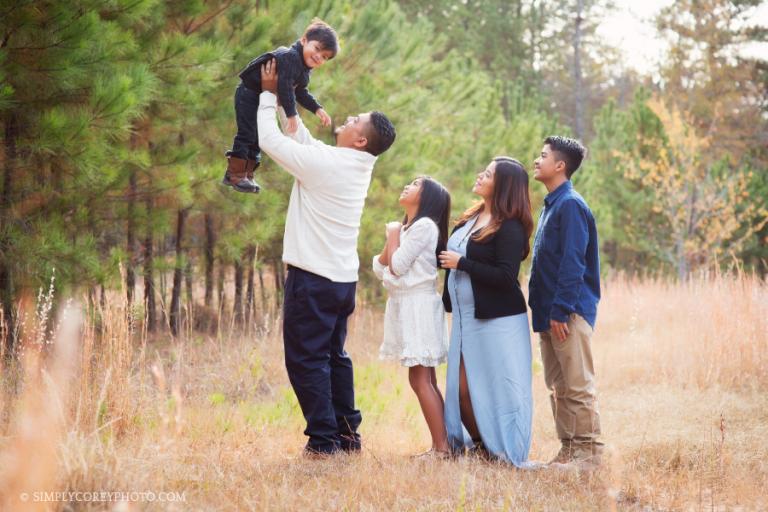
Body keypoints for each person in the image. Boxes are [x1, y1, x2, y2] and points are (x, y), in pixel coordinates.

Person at [257, 59, 396, 456]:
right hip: (340, 281)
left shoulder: (332, 165)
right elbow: (307, 146)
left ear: (361, 140)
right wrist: (289, 105)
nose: (349, 118)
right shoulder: (350, 164)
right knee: (334, 357)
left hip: (314, 280)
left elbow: (271, 142)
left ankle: (323, 442)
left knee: (306, 360)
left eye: (356, 119)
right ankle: (347, 435)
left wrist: (268, 95)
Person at [438, 157, 534, 466]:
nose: (481, 175)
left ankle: (501, 452)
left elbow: (506, 276)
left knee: (501, 389)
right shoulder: (473, 215)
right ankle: (481, 445)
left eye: (488, 174)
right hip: (466, 319)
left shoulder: (510, 227)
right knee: (461, 388)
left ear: (503, 185)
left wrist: (461, 264)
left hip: (498, 320)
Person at [528, 135, 603, 470]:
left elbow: (573, 262)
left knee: (576, 385)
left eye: (542, 156)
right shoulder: (552, 204)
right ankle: (571, 450)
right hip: (548, 314)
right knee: (558, 387)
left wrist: (561, 310)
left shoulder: (571, 204)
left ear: (560, 165)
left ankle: (590, 453)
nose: (536, 160)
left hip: (567, 313)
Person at [373, 176, 451, 459]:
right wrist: (394, 238)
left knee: (421, 380)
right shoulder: (409, 228)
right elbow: (379, 266)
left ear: (427, 197)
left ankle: (442, 448)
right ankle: (443, 444)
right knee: (423, 379)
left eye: (416, 184)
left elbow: (395, 267)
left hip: (418, 304)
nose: (408, 185)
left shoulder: (424, 227)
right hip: (407, 304)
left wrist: (392, 236)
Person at [223, 18, 338, 193]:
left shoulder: (304, 70)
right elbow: (284, 87)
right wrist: (291, 114)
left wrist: (317, 108)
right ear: (304, 40)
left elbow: (300, 92)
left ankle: (247, 175)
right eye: (317, 49)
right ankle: (235, 175)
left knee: (256, 137)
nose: (318, 56)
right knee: (247, 134)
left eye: (324, 57)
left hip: (260, 96)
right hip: (249, 92)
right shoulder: (290, 57)